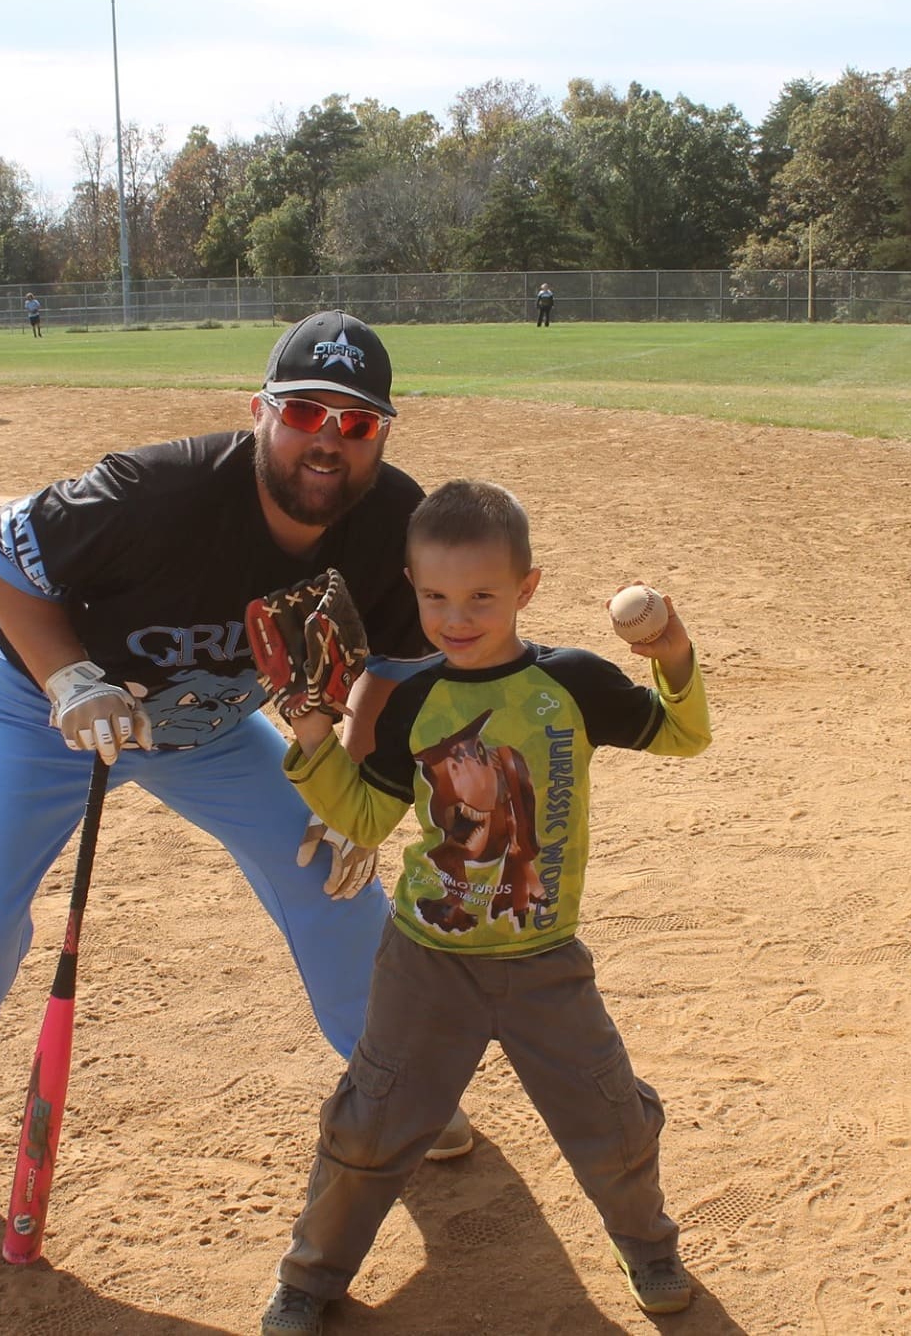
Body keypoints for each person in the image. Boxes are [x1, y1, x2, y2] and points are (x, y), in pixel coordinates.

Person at [0, 310, 474, 1232]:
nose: (328, 440)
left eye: (356, 422)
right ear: (260, 412)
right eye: (305, 412)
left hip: (208, 727)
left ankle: (397, 1089)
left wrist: (352, 788)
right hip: (40, 712)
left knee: (331, 875)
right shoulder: (159, 490)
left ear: (381, 435)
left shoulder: (390, 522)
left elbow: (397, 663)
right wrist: (68, 676)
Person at [257, 480, 712, 1335]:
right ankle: (310, 1275)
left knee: (613, 1119)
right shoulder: (412, 701)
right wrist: (313, 735)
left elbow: (683, 733)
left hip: (544, 959)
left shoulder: (571, 682)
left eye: (481, 596)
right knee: (370, 1124)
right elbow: (365, 819)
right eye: (434, 596)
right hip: (428, 960)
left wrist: (675, 655)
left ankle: (648, 1245)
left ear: (526, 588)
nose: (455, 617)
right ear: (410, 585)